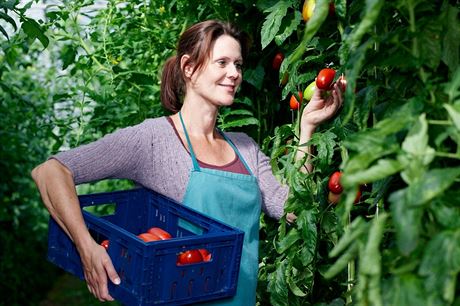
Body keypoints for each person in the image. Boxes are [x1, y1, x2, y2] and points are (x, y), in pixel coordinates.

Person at [31, 20, 343, 305]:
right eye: (222, 62)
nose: (234, 73)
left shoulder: (245, 147)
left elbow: (291, 210)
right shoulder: (152, 140)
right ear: (189, 68)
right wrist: (86, 247)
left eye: (238, 64)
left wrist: (308, 128)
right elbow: (50, 171)